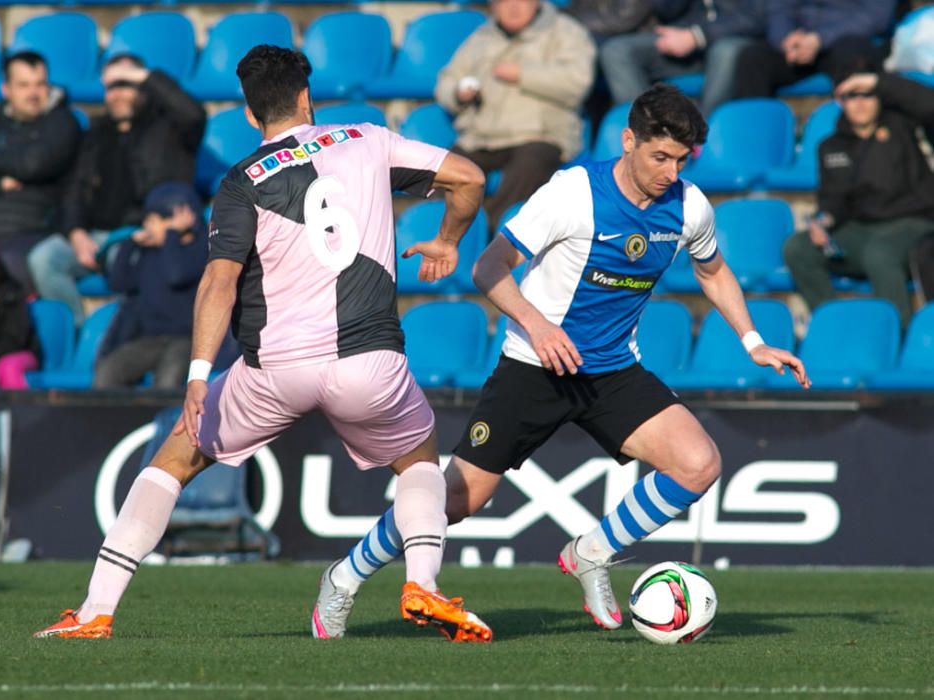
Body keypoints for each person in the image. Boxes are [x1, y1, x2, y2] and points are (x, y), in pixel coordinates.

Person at [311, 84, 810, 639]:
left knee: (698, 463)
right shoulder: (574, 193)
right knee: (457, 499)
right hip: (533, 367)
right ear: (628, 141)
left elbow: (713, 272)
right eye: (659, 157)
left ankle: (590, 553)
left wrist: (752, 341)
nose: (670, 171)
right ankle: (344, 577)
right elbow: (489, 267)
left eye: (681, 160)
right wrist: (538, 324)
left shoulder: (689, 207)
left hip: (611, 371)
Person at [33, 45, 493, 643]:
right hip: (369, 362)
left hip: (276, 368)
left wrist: (199, 374)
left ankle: (95, 611)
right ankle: (424, 585)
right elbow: (470, 177)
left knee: (174, 460)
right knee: (418, 460)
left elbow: (219, 281)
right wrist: (448, 240)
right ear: (307, 97)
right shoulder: (369, 137)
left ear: (251, 115)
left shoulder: (242, 180)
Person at [28, 54, 206, 326]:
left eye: (125, 84)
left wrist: (141, 75)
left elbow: (193, 114)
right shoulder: (96, 134)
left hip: (141, 232)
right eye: (111, 87)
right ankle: (76, 332)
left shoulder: (168, 128)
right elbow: (74, 188)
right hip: (94, 235)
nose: (117, 94)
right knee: (43, 259)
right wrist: (75, 232)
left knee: (122, 262)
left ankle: (121, 332)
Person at [783, 71, 934, 328]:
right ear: (840, 101)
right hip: (860, 230)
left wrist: (880, 81)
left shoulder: (903, 127)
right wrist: (823, 222)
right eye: (851, 96)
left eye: (868, 94)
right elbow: (833, 201)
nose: (860, 102)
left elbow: (928, 105)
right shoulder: (831, 146)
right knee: (798, 248)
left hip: (913, 223)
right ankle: (834, 326)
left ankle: (898, 335)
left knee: (880, 254)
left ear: (879, 97)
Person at [436, 0, 596, 230]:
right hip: (481, 136)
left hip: (540, 134)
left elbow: (578, 82)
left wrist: (522, 74)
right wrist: (458, 93)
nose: (512, 7)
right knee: (445, 169)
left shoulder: (566, 31)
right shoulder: (481, 37)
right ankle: (439, 236)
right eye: (503, 1)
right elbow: (447, 78)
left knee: (530, 165)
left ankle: (493, 237)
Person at [0, 51, 80, 292]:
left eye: (40, 84)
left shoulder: (61, 123)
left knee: (1, 270)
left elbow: (33, 165)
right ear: (6, 90)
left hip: (31, 233)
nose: (34, 94)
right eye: (24, 85)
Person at [93, 182, 208, 389]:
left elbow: (177, 275)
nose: (147, 228)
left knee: (167, 382)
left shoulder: (200, 250)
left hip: (186, 340)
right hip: (149, 339)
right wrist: (129, 246)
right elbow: (119, 283)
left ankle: (164, 422)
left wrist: (171, 235)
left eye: (154, 221)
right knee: (107, 373)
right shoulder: (149, 253)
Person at [600, 0, 769, 115]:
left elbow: (757, 18)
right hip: (683, 42)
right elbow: (665, 9)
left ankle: (697, 138)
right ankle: (650, 134)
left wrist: (698, 36)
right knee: (617, 51)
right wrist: (689, 37)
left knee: (725, 52)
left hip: (733, 42)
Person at [732, 0, 896, 100]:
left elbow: (876, 18)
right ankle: (753, 143)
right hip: (799, 43)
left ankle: (855, 143)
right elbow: (778, 10)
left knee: (855, 56)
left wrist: (820, 39)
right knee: (752, 59)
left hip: (846, 39)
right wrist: (785, 40)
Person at [0, 232, 38, 390]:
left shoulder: (9, 293)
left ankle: (22, 412)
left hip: (15, 353)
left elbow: (14, 339)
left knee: (8, 368)